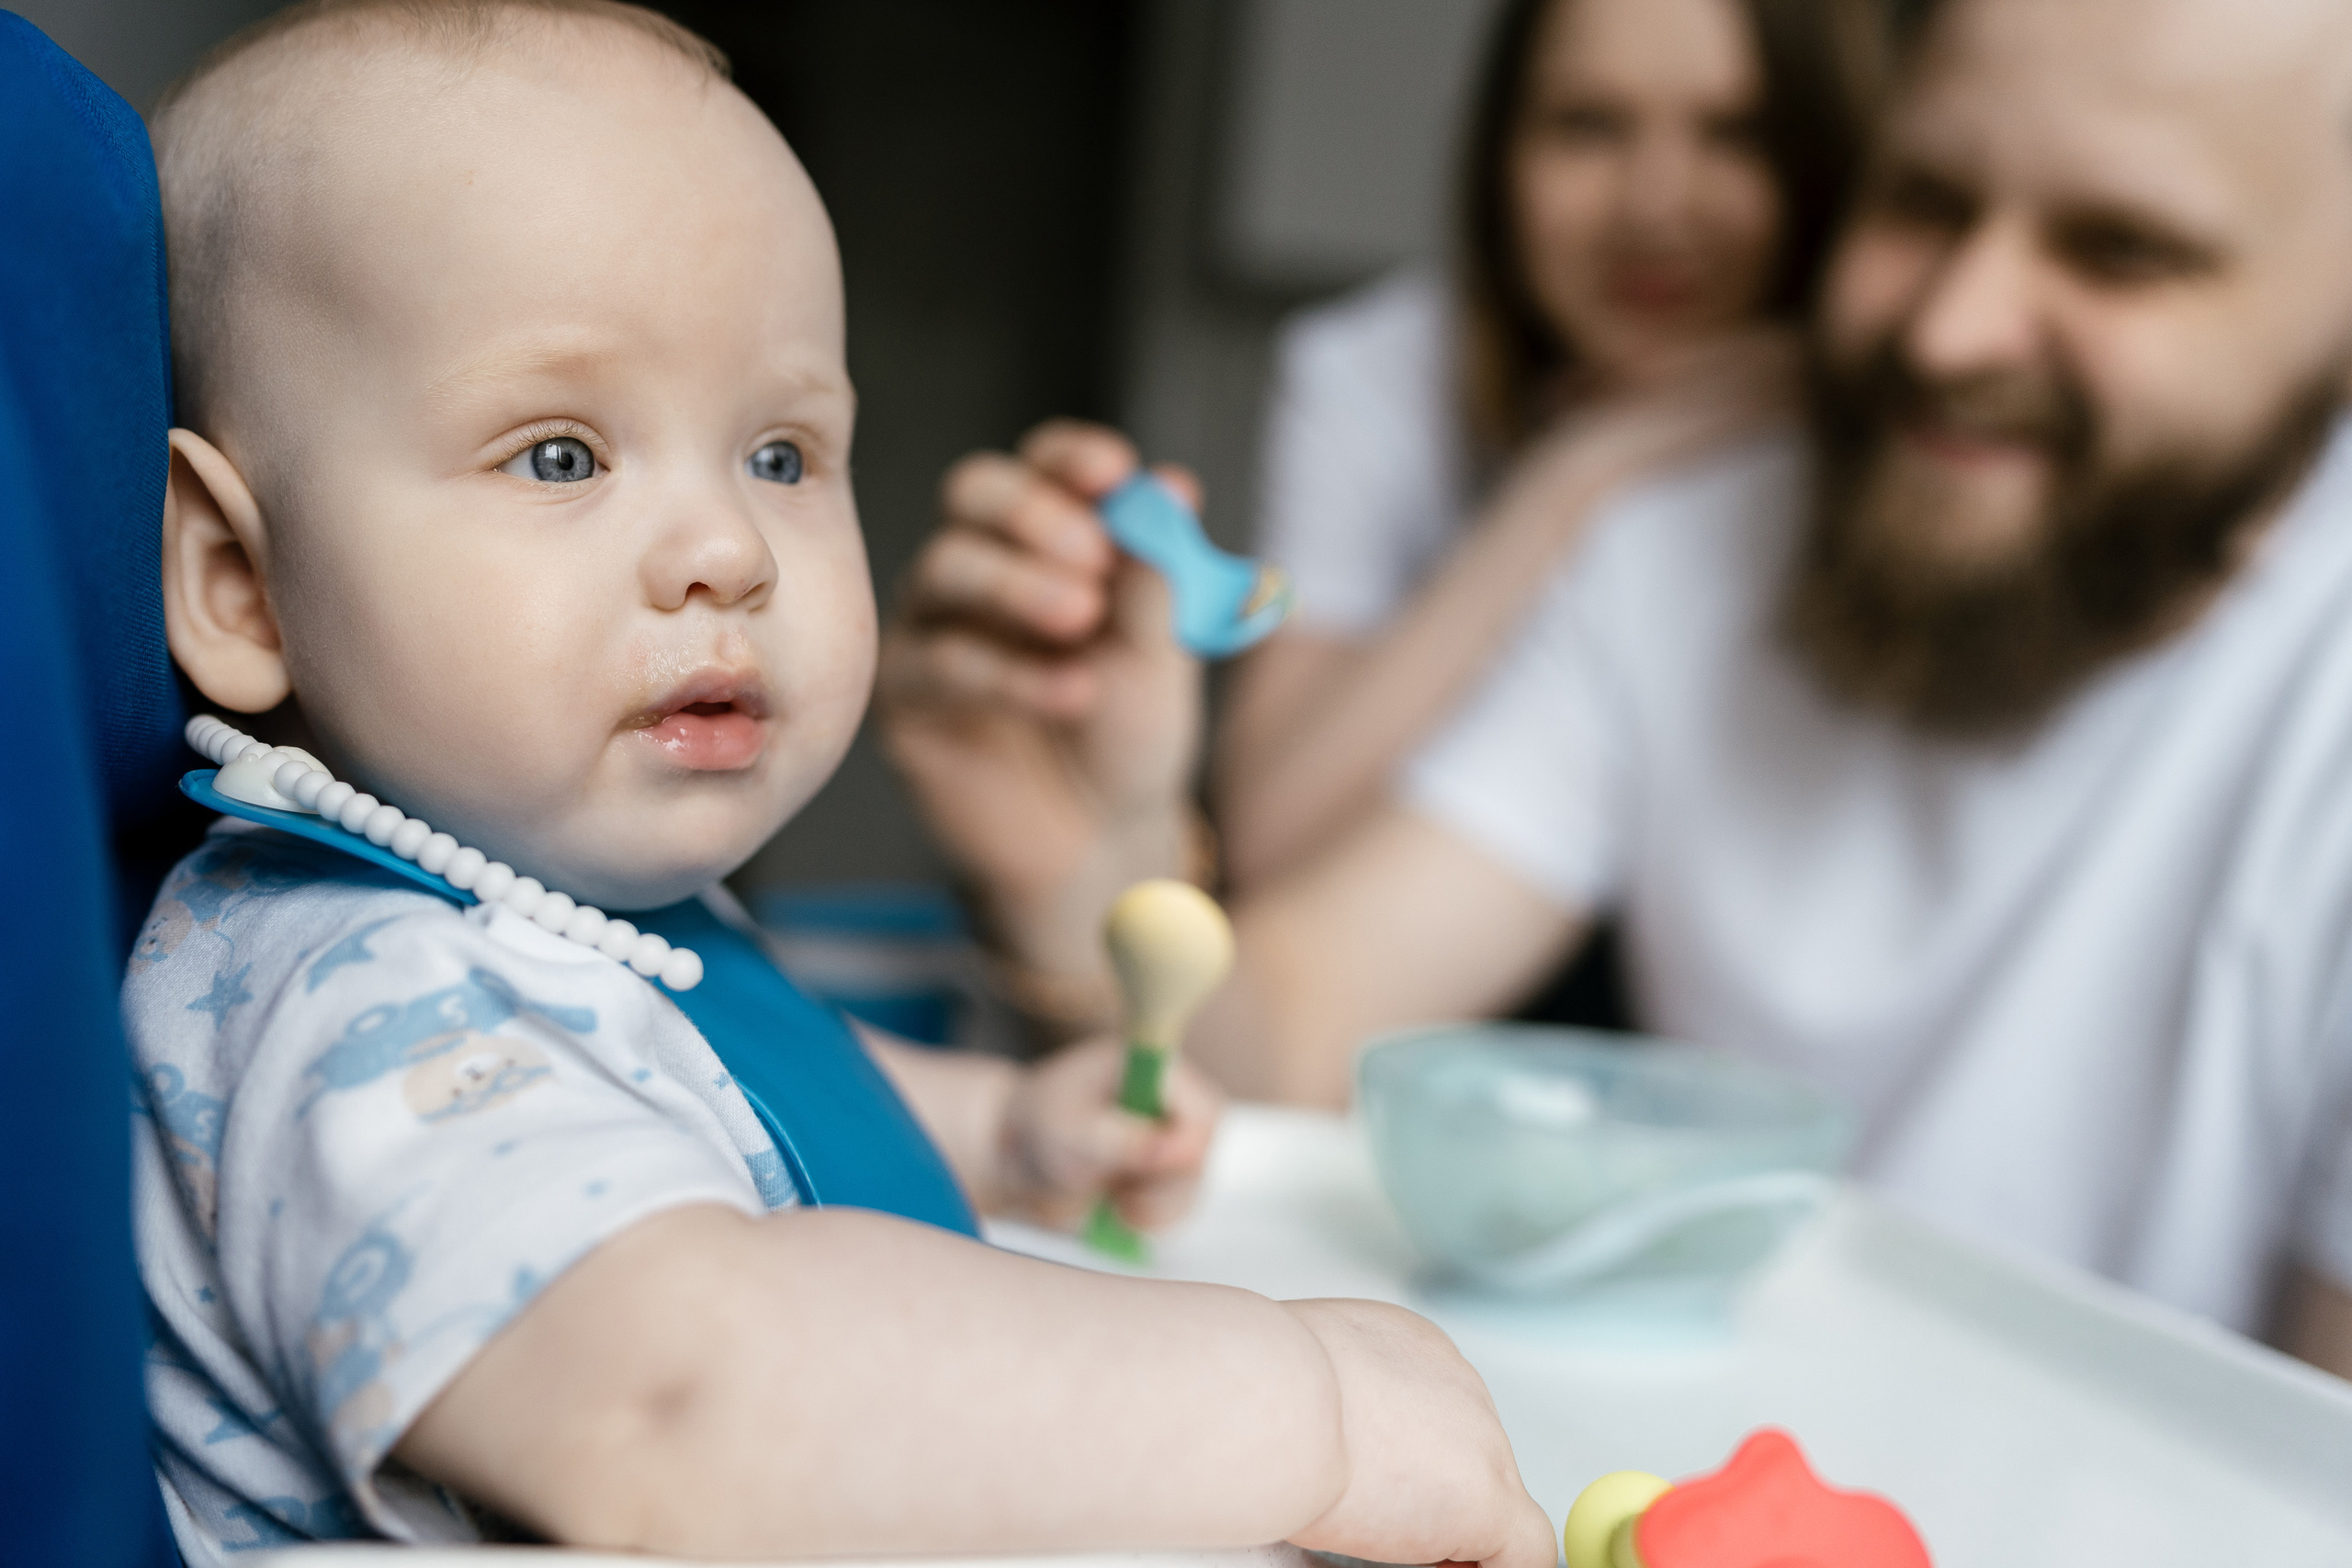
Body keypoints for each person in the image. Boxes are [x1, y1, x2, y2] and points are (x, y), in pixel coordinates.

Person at [125, 5, 1557, 1564]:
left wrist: (1000, 1125)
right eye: (560, 455)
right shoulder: (354, 1005)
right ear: (238, 583)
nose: (727, 551)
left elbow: (679, 1086)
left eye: (783, 454)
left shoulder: (512, 916)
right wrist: (1309, 1406)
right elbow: (677, 1404)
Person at [880, 0, 2352, 1379]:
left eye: (2121, 250)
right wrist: (1093, 863)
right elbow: (1303, 1034)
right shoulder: (1693, 532)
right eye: (1925, 203)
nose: (1950, 330)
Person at [1221, 0, 1873, 890]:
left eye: (1736, 135)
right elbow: (1269, 827)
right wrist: (1578, 473)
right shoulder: (1376, 371)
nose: (1654, 206)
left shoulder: (1896, 424)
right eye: (1588, 126)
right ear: (1499, 155)